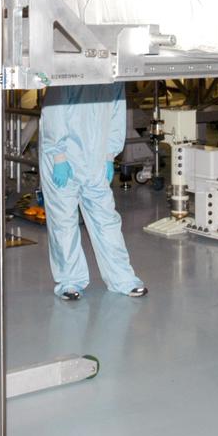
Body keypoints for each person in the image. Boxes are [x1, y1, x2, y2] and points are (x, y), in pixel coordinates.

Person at [38, 82, 147, 301]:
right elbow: (54, 113)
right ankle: (69, 280)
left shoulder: (114, 74)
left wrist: (109, 155)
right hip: (64, 157)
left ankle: (122, 278)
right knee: (64, 222)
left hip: (96, 158)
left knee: (107, 220)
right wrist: (58, 155)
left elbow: (117, 113)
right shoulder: (68, 67)